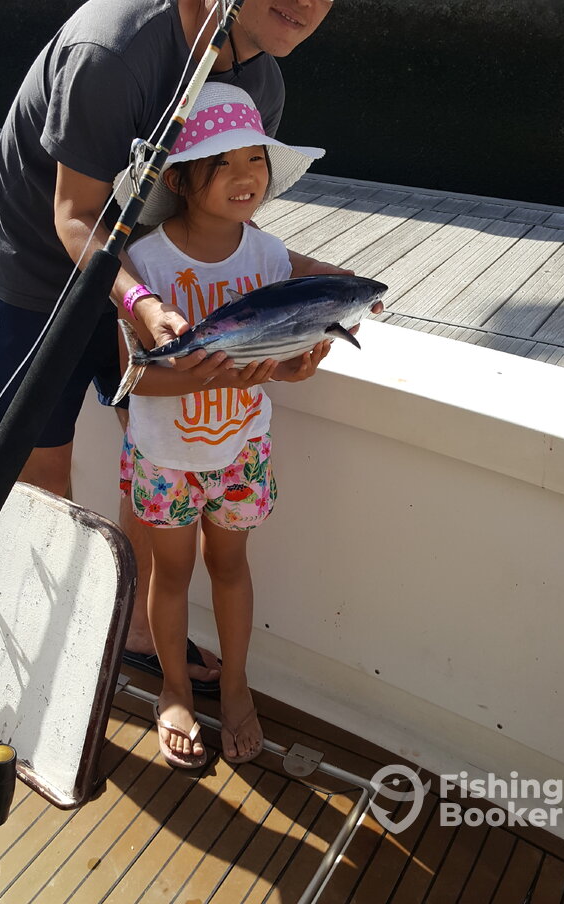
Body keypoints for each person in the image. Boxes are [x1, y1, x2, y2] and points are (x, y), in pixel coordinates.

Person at [0, 0, 389, 694]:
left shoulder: (260, 83)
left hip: (144, 273)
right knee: (45, 468)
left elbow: (222, 217)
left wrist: (307, 304)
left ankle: (125, 629)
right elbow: (74, 218)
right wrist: (145, 305)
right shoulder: (114, 48)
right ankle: (39, 638)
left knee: (146, 444)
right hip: (39, 272)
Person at [115, 82, 337, 766]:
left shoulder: (270, 260)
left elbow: (283, 351)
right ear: (179, 179)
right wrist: (210, 371)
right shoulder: (145, 266)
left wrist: (293, 370)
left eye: (255, 160)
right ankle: (175, 689)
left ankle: (236, 686)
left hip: (242, 448)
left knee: (232, 569)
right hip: (166, 456)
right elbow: (135, 378)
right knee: (172, 575)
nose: (246, 177)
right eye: (223, 162)